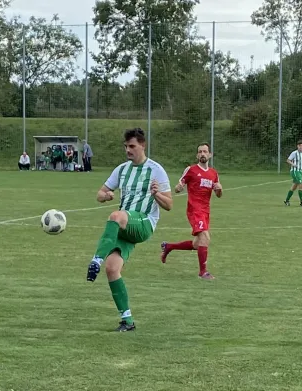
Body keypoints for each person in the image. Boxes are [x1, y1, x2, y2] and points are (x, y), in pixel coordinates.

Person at [86, 128, 173, 332]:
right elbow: (100, 193)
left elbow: (169, 205)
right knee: (112, 268)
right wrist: (105, 196)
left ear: (143, 145)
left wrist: (156, 194)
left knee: (116, 215)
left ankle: (95, 260)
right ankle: (127, 321)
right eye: (126, 146)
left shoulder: (156, 170)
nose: (128, 150)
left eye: (132, 146)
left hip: (144, 223)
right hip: (126, 225)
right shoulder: (122, 170)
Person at [160, 143, 222, 280]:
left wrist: (219, 189)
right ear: (197, 155)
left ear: (210, 155)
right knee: (205, 238)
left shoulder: (213, 173)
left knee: (197, 244)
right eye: (200, 152)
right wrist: (179, 187)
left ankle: (169, 247)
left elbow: (218, 194)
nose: (202, 154)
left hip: (205, 211)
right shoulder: (191, 170)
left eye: (205, 151)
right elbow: (177, 187)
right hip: (194, 210)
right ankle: (203, 272)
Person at [284, 140, 302, 207]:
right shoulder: (294, 153)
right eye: (299, 146)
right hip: (295, 171)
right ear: (297, 146)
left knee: (294, 187)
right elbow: (288, 160)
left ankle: (286, 201)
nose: (300, 147)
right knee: (301, 185)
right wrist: (293, 164)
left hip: (300, 172)